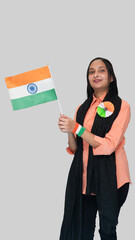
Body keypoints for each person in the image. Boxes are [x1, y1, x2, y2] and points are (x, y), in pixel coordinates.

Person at [58, 57, 131, 240]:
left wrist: (77, 128)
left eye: (101, 70)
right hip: (84, 180)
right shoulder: (81, 109)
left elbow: (108, 146)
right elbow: (76, 149)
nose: (96, 75)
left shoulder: (122, 106)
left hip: (112, 179)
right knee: (82, 231)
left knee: (107, 230)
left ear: (111, 77)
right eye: (91, 72)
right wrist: (69, 130)